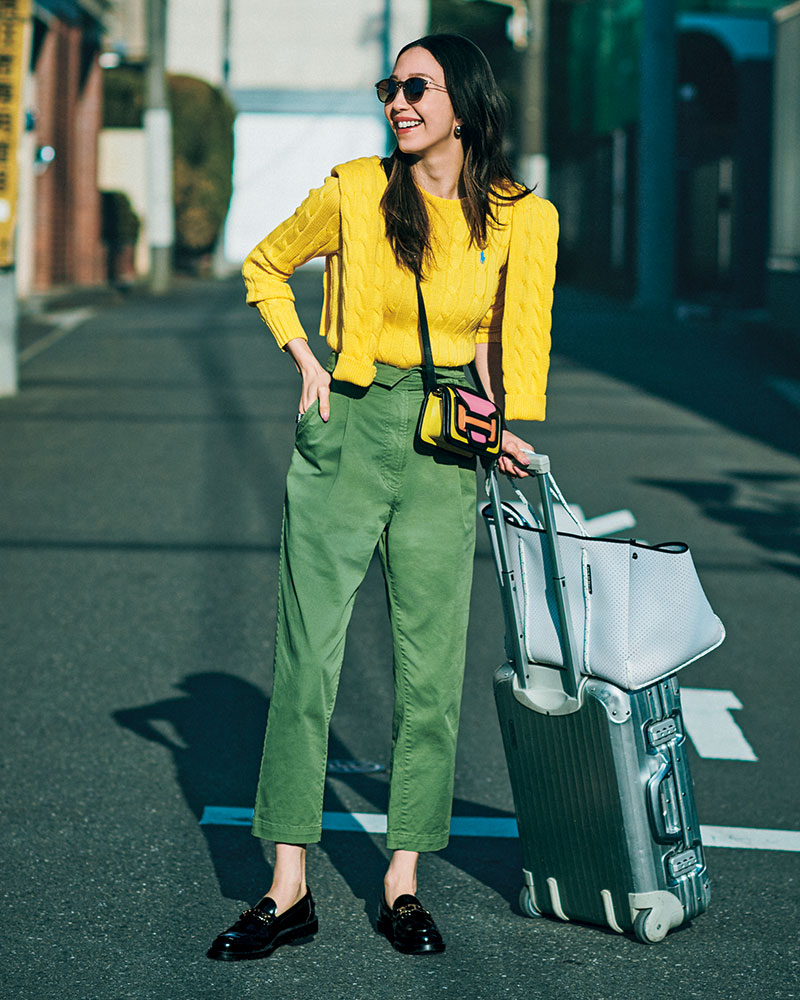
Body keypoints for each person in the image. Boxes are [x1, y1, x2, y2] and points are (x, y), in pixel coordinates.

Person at [207, 33, 558, 961]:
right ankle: (287, 889)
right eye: (388, 87)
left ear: (464, 104)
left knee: (430, 673)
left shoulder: (525, 217)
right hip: (349, 429)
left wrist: (507, 430)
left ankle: (402, 883)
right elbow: (264, 266)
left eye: (416, 86)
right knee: (307, 658)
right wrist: (306, 363)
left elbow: (507, 344)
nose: (397, 101)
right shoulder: (355, 191)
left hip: (446, 446)